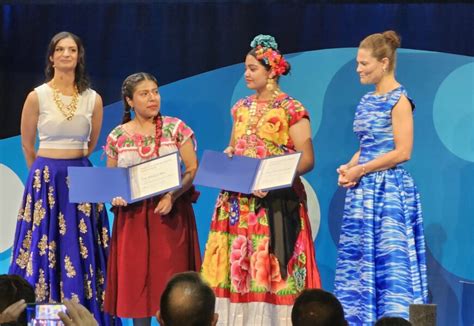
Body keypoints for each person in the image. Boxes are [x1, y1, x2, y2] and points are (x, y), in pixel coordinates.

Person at [200, 34, 321, 325]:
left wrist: (273, 179)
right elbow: (235, 145)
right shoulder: (240, 107)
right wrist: (230, 153)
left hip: (273, 204)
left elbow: (306, 159)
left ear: (271, 71)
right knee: (239, 271)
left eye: (253, 68)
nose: (246, 73)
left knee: (269, 271)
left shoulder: (292, 109)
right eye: (245, 67)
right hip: (237, 204)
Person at [8, 31, 111, 325]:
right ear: (52, 57)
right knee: (44, 245)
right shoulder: (36, 96)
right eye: (61, 49)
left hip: (80, 176)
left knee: (83, 247)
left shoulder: (93, 99)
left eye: (73, 50)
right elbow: (28, 144)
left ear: (79, 57)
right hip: (45, 181)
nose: (67, 54)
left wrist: (72, 165)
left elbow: (91, 144)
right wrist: (41, 177)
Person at [334, 30, 428, 324]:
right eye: (358, 63)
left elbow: (403, 152)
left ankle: (393, 318)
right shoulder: (366, 100)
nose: (358, 69)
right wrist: (349, 167)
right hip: (363, 191)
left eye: (364, 64)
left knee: (390, 260)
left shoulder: (400, 100)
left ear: (384, 62)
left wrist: (362, 169)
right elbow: (366, 146)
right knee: (360, 260)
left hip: (388, 192)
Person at [103, 72, 201, 326]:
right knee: (138, 288)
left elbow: (191, 170)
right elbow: (112, 180)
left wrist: (172, 195)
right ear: (129, 101)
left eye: (155, 92)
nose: (152, 98)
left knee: (172, 284)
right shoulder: (117, 136)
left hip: (169, 214)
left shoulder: (176, 128)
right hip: (133, 220)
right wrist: (116, 197)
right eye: (144, 94)